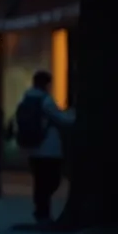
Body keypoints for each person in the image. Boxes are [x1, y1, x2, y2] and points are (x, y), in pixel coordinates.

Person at [13, 70, 74, 222]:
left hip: (32, 148)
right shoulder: (46, 100)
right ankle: (43, 212)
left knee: (39, 181)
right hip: (49, 148)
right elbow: (62, 119)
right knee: (51, 180)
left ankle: (40, 211)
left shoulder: (26, 99)